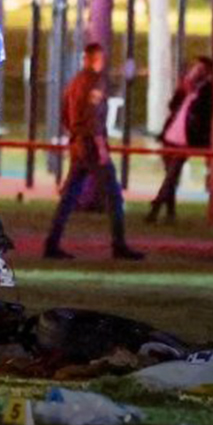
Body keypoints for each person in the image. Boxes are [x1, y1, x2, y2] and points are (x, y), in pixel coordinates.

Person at [43, 43, 145, 261]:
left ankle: (51, 243)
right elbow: (93, 117)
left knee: (69, 198)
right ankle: (119, 245)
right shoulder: (94, 82)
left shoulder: (74, 82)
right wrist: (100, 147)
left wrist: (75, 137)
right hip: (91, 145)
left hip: (78, 144)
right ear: (97, 59)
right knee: (114, 195)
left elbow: (64, 114)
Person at [148, 57, 213, 224]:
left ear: (207, 72)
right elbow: (172, 106)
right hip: (170, 135)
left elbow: (204, 114)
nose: (196, 72)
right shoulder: (186, 87)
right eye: (195, 68)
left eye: (200, 69)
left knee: (172, 175)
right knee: (169, 176)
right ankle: (170, 213)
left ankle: (156, 207)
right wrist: (183, 89)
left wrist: (194, 92)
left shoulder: (207, 91)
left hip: (186, 139)